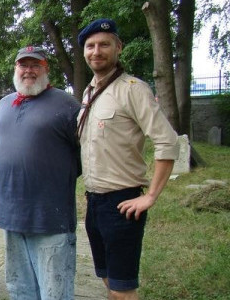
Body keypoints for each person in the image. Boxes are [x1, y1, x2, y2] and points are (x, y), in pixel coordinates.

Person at [77, 19, 179, 299]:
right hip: (94, 202)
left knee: (123, 289)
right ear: (84, 52)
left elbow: (167, 142)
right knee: (108, 280)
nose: (96, 51)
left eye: (104, 45)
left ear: (118, 48)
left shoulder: (133, 89)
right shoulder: (90, 93)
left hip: (122, 203)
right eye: (90, 46)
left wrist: (150, 196)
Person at [0, 46, 81, 300]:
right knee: (20, 290)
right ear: (15, 69)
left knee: (55, 292)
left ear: (46, 69)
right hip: (12, 217)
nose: (28, 71)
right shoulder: (3, 105)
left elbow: (84, 153)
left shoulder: (66, 104)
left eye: (35, 65)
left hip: (50, 218)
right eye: (23, 65)